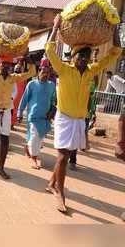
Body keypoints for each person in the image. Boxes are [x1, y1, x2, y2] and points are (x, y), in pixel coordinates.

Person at [45, 14, 122, 213]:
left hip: (79, 120)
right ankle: (60, 194)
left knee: (68, 154)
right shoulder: (63, 69)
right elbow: (49, 50)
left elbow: (115, 52)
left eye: (86, 57)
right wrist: (55, 27)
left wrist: (114, 30)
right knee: (63, 157)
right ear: (73, 56)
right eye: (81, 56)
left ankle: (52, 182)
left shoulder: (91, 71)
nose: (84, 60)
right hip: (64, 118)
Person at [0, 39, 36, 180]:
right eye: (4, 64)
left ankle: (1, 168)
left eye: (9, 65)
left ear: (11, 66)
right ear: (0, 64)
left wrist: (27, 58)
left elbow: (32, 72)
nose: (6, 67)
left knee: (5, 138)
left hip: (6, 111)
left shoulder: (13, 78)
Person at [17, 66, 56, 169]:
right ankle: (34, 158)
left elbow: (53, 99)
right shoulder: (32, 84)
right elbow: (24, 99)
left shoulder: (51, 85)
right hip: (33, 115)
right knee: (35, 137)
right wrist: (19, 113)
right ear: (39, 72)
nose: (46, 74)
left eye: (48, 73)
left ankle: (28, 148)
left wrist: (52, 110)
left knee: (39, 138)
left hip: (45, 117)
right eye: (44, 72)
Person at [11, 61, 27, 129]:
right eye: (17, 68)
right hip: (12, 96)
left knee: (15, 110)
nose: (18, 69)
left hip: (19, 97)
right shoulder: (11, 76)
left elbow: (24, 86)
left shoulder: (23, 77)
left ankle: (12, 124)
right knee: (10, 110)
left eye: (19, 68)